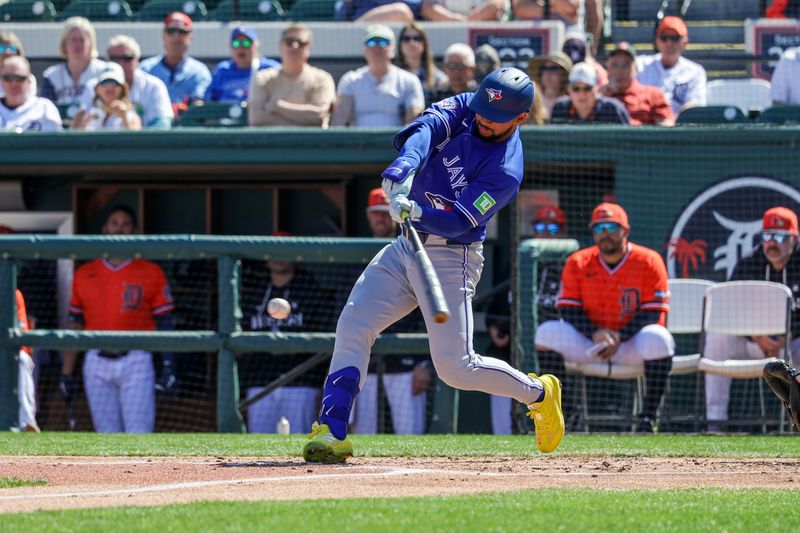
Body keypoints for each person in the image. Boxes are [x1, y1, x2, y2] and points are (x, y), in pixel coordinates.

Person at [303, 67, 564, 463]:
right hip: (406, 245)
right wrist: (406, 165)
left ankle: (539, 393)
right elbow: (425, 129)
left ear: (520, 118)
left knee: (456, 369)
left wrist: (419, 209)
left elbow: (460, 220)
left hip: (451, 255)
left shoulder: (506, 170)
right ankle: (333, 429)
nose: (482, 119)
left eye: (494, 118)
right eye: (481, 110)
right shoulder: (470, 106)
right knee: (354, 324)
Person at [534, 202, 675, 432]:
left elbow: (653, 311)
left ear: (625, 231)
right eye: (599, 228)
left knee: (659, 338)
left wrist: (619, 336)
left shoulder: (649, 260)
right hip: (591, 341)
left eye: (611, 227)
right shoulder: (578, 261)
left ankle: (648, 418)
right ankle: (565, 413)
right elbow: (568, 309)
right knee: (546, 332)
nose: (605, 234)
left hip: (630, 343)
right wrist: (595, 333)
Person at [60, 205, 176, 433]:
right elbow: (75, 323)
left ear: (134, 230)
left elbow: (165, 321)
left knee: (139, 435)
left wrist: (168, 363)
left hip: (136, 359)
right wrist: (66, 371)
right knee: (106, 436)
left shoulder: (150, 271)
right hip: (96, 360)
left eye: (125, 225)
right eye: (114, 223)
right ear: (105, 228)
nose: (119, 229)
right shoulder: (85, 272)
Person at [704, 207, 800, 432]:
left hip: (793, 343)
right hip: (754, 343)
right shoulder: (749, 263)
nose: (771, 243)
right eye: (766, 236)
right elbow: (729, 309)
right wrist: (757, 336)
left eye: (778, 237)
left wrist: (788, 335)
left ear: (794, 238)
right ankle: (714, 423)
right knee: (717, 339)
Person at [349, 188, 432, 435]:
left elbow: (425, 312)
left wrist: (422, 362)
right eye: (376, 214)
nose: (381, 219)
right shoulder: (355, 256)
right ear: (368, 217)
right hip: (368, 358)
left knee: (410, 432)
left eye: (385, 213)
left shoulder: (410, 251)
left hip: (404, 358)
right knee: (363, 431)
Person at [239, 250, 333, 433]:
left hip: (301, 381)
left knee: (299, 440)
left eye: (283, 250)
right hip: (260, 380)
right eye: (273, 251)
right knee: (258, 444)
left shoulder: (309, 291)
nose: (278, 257)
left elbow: (324, 337)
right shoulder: (255, 292)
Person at [331, 25, 424, 127]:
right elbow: (339, 121)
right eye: (371, 42)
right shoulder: (350, 80)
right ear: (365, 49)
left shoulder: (409, 81)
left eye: (384, 42)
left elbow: (413, 122)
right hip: (357, 142)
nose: (377, 47)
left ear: (393, 50)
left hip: (396, 141)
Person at [248, 24, 336, 127]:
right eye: (289, 42)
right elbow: (256, 119)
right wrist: (303, 118)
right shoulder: (263, 78)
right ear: (280, 46)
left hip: (312, 141)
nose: (295, 46)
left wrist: (278, 106)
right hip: (272, 142)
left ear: (309, 48)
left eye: (301, 43)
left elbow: (318, 115)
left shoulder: (322, 78)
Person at [636, 16, 707, 115]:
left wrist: (671, 121)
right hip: (645, 124)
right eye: (664, 38)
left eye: (675, 38)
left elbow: (695, 105)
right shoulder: (640, 65)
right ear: (657, 41)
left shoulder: (695, 71)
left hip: (679, 127)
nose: (669, 43)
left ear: (685, 42)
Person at [140, 13, 211, 109]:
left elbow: (199, 105)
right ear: (164, 35)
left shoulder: (199, 71)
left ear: (190, 37)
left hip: (186, 123)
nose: (176, 37)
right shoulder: (145, 69)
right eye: (171, 31)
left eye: (182, 32)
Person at [40, 17, 108, 106]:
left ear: (90, 44)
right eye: (73, 40)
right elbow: (45, 109)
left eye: (82, 40)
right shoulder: (51, 76)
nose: (77, 44)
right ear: (64, 44)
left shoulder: (103, 71)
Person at [603, 43, 674, 126]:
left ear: (635, 69)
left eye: (626, 65)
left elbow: (667, 124)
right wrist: (603, 98)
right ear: (607, 70)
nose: (620, 71)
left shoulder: (653, 95)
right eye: (615, 65)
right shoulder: (597, 96)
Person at [205, 26, 279, 104]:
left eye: (246, 43)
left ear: (256, 45)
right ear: (230, 46)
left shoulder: (270, 69)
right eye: (236, 43)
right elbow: (210, 102)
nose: (241, 48)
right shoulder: (222, 71)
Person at [512, 0, 604, 55]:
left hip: (568, 45)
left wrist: (541, 5)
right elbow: (521, 8)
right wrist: (551, 7)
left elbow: (569, 6)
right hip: (533, 44)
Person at [550, 63, 629, 124]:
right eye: (576, 89)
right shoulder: (559, 109)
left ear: (597, 88)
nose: (582, 94)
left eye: (587, 88)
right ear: (569, 90)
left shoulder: (612, 110)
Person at [0, 56, 62, 132]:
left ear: (29, 81)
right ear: (1, 80)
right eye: (8, 77)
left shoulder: (44, 108)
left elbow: (55, 142)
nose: (14, 83)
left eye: (20, 78)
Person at [72, 66, 142, 131]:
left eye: (114, 83)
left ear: (122, 89)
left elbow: (136, 141)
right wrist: (83, 125)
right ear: (97, 88)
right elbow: (73, 141)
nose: (109, 87)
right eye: (105, 82)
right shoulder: (83, 114)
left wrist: (124, 118)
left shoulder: (131, 115)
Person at [484, 291, 514, 435]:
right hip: (503, 352)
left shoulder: (542, 278)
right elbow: (490, 314)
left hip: (535, 352)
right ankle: (503, 437)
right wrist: (494, 330)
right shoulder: (506, 280)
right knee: (499, 383)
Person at [395, 22, 446, 100]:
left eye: (417, 38)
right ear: (400, 45)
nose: (411, 43)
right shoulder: (393, 76)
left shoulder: (439, 78)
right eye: (406, 39)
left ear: (424, 44)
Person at [528, 51, 573, 120]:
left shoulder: (571, 103)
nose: (547, 73)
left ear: (564, 75)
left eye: (553, 69)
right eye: (544, 68)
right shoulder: (531, 101)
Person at [0, 32, 37, 98]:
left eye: (12, 48)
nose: (7, 52)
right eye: (2, 48)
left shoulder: (28, 78)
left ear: (18, 52)